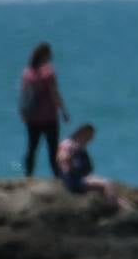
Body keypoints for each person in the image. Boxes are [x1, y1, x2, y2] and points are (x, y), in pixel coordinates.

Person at [19, 42, 69, 177]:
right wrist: (64, 111)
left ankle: (28, 175)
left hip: (32, 117)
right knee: (53, 149)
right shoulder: (48, 72)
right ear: (45, 55)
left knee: (32, 148)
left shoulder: (27, 73)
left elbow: (24, 94)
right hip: (49, 117)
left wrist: (23, 112)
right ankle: (57, 176)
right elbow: (54, 94)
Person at [57, 123, 124, 205]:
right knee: (107, 184)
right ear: (83, 133)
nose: (91, 139)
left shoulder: (78, 146)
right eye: (90, 136)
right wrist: (71, 166)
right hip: (75, 180)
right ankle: (112, 207)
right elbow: (63, 159)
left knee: (116, 195)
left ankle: (124, 207)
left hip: (82, 177)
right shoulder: (68, 144)